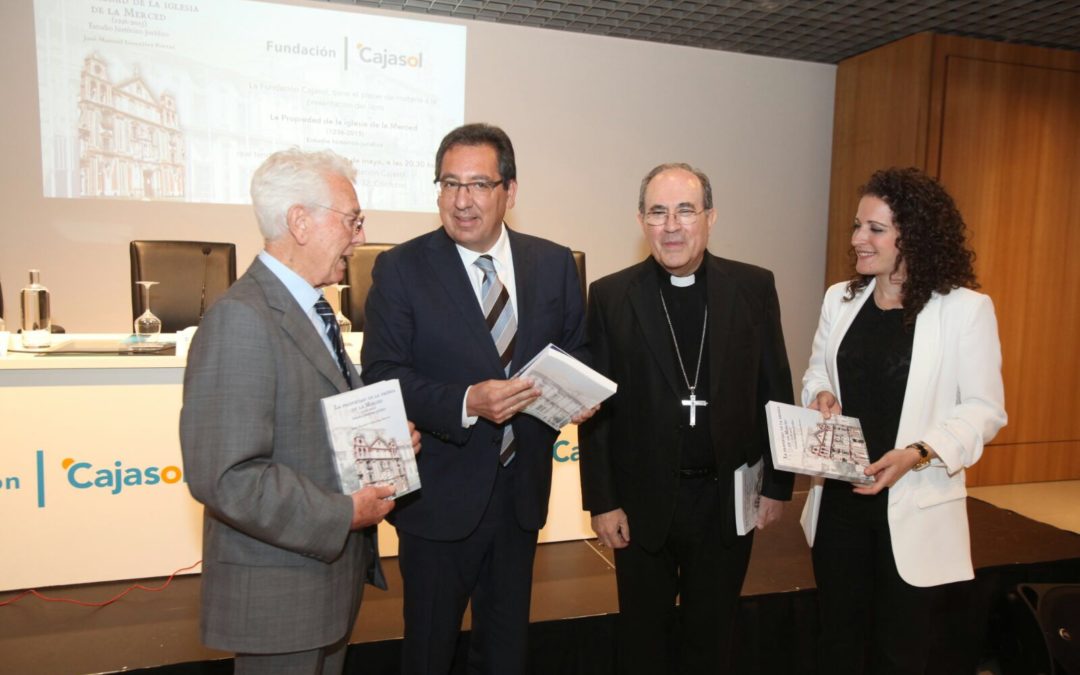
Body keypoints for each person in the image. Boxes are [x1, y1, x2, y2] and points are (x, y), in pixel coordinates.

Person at [360, 123, 594, 675]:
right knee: (429, 653)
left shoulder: (555, 263)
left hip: (521, 497)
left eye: (478, 185)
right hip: (440, 502)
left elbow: (578, 353)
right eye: (449, 184)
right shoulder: (401, 268)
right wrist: (467, 401)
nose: (461, 201)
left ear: (509, 192)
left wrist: (581, 394)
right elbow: (382, 376)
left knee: (506, 652)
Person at [180, 148, 419, 675]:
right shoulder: (241, 320)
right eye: (352, 220)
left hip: (322, 584)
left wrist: (383, 438)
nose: (359, 238)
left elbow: (315, 422)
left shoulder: (312, 308)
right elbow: (227, 476)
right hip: (279, 594)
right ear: (299, 222)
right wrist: (344, 513)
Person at [579, 162, 795, 674]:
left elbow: (775, 391)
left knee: (712, 638)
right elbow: (596, 410)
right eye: (658, 212)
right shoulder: (611, 296)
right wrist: (603, 502)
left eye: (685, 211)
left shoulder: (753, 287)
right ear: (641, 221)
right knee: (642, 641)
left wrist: (779, 485)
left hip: (724, 500)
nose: (671, 226)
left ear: (710, 218)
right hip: (641, 502)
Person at [800, 167, 1007, 674]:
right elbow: (815, 372)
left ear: (911, 235)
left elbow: (985, 409)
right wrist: (821, 394)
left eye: (874, 229)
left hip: (914, 504)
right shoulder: (840, 299)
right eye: (856, 226)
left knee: (901, 652)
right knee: (839, 645)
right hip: (841, 506)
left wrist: (918, 452)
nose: (857, 240)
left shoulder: (965, 310)